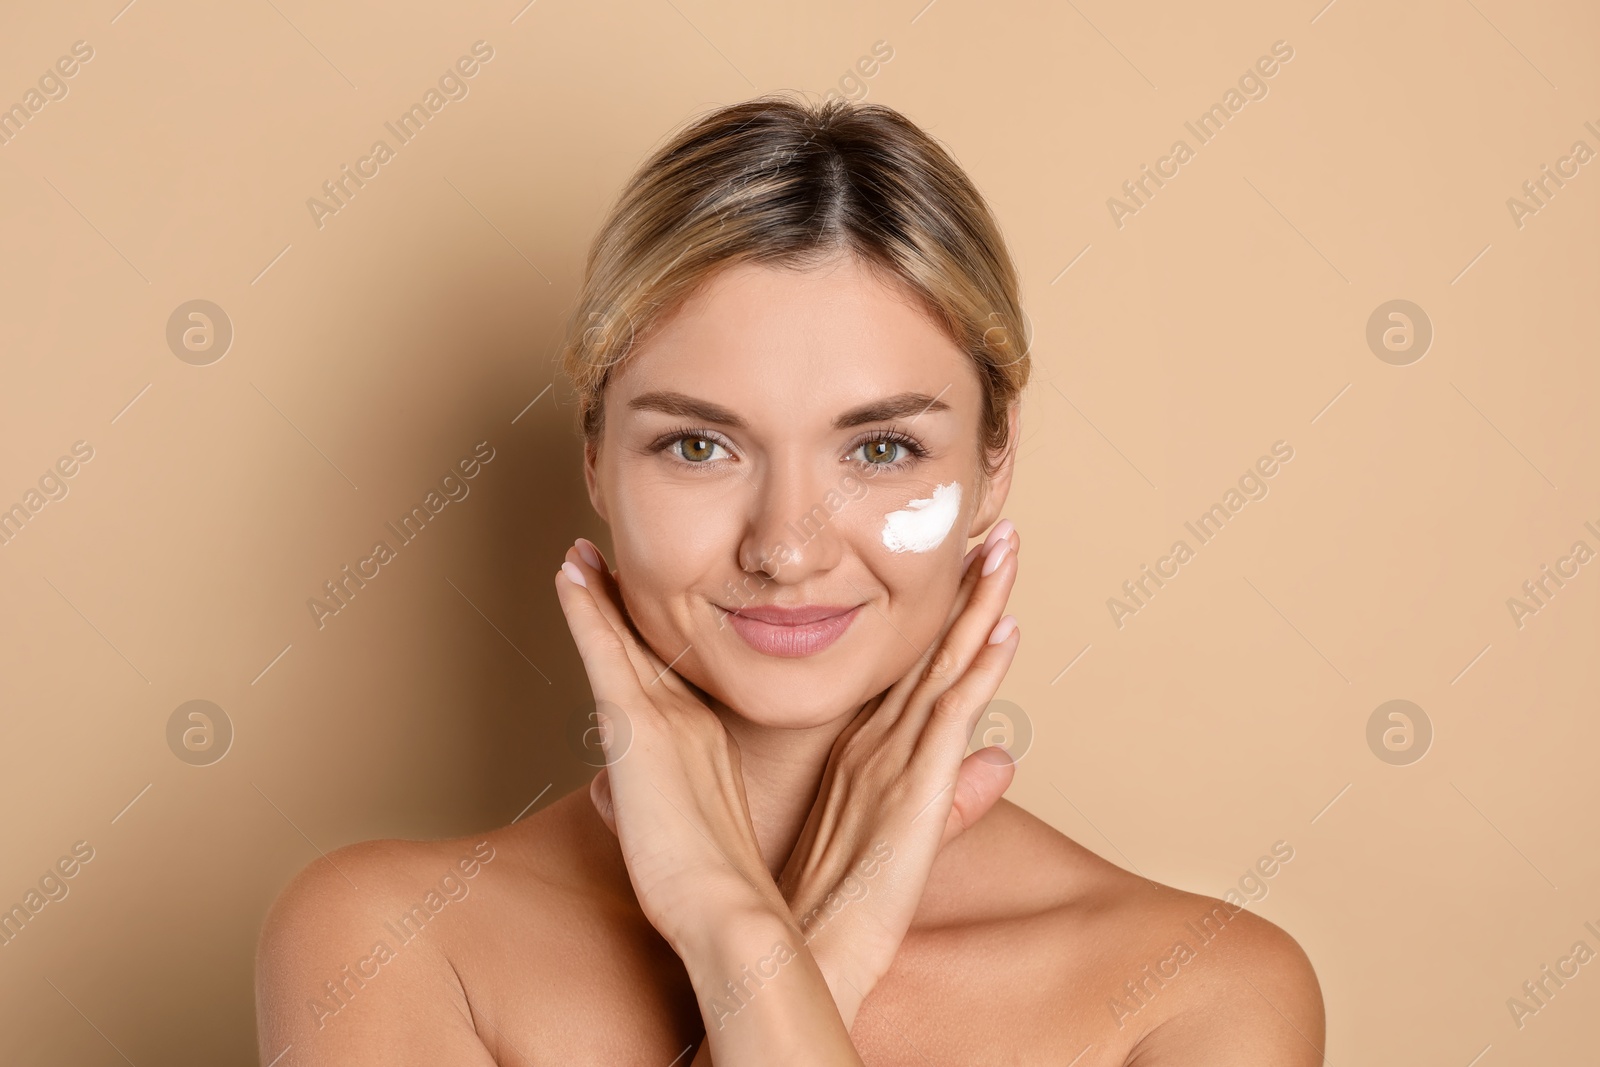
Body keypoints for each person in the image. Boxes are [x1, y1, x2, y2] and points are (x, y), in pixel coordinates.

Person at [255, 93, 1324, 1064]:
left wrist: (753, 947)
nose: (787, 546)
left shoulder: (1196, 993)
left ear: (994, 464)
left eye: (880, 450)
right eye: (697, 446)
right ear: (594, 460)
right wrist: (778, 938)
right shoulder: (391, 941)